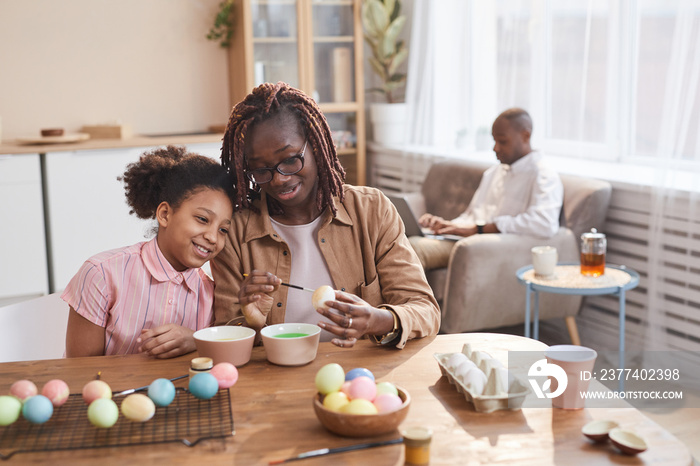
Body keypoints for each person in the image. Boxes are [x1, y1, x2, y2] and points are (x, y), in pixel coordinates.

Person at [211, 81, 440, 349]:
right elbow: (222, 335)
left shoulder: (372, 211)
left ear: (316, 147)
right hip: (276, 380)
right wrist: (250, 322)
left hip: (362, 378)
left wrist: (379, 320)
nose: (278, 180)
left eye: (289, 159)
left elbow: (425, 310)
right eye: (261, 170)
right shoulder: (234, 231)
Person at [62, 146, 236, 358]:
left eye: (223, 230)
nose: (212, 237)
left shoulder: (210, 292)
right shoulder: (101, 274)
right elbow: (80, 371)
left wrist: (196, 340)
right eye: (202, 219)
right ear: (164, 214)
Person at [410, 107, 563, 270]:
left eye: (502, 141)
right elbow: (471, 215)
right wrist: (447, 226)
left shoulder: (543, 175)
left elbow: (544, 223)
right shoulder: (494, 173)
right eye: (494, 140)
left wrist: (481, 229)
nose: (495, 148)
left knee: (411, 250)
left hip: (483, 246)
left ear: (526, 136)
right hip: (464, 240)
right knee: (395, 244)